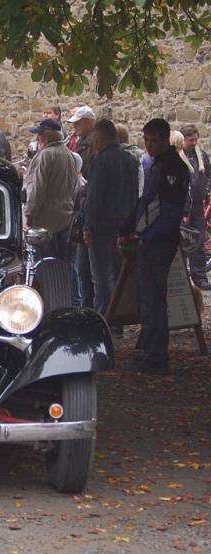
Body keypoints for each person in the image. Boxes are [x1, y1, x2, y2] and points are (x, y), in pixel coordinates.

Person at [120, 118, 189, 376]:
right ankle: (151, 351)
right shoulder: (159, 165)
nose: (149, 146)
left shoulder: (172, 167)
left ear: (164, 140)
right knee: (147, 299)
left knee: (154, 300)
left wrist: (145, 236)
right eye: (146, 140)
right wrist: (129, 228)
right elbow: (146, 200)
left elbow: (170, 212)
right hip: (150, 238)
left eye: (154, 141)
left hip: (158, 241)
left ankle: (157, 357)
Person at [82, 119, 139, 316]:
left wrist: (87, 226)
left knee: (101, 277)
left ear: (100, 136)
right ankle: (117, 317)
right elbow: (134, 196)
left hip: (102, 224)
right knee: (118, 274)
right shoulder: (130, 160)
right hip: (123, 224)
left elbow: (94, 196)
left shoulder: (102, 161)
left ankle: (102, 317)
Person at [22, 118, 79, 261]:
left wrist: (29, 213)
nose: (38, 138)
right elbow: (74, 187)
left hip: (46, 221)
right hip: (65, 217)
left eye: (40, 134)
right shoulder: (68, 154)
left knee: (45, 265)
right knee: (63, 264)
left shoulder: (46, 155)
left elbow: (37, 189)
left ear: (48, 135)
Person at [67, 105, 97, 308]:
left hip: (89, 209)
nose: (75, 127)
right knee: (86, 269)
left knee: (91, 270)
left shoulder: (90, 146)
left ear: (88, 122)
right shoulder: (82, 144)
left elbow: (91, 181)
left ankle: (93, 309)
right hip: (85, 206)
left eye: (78, 123)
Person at [179, 124, 211, 289]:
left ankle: (200, 277)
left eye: (196, 139)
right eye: (191, 140)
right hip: (182, 206)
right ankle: (183, 279)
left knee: (198, 241)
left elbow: (208, 175)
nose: (194, 142)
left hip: (197, 205)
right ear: (183, 139)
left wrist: (206, 190)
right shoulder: (177, 157)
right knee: (183, 242)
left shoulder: (201, 155)